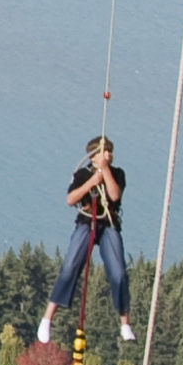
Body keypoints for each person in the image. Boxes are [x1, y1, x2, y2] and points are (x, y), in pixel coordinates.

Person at [37, 135, 132, 349]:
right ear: (94, 155)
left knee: (118, 272)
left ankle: (125, 322)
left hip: (108, 224)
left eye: (110, 152)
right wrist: (92, 181)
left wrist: (105, 171)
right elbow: (71, 199)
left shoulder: (118, 173)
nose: (109, 155)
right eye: (105, 152)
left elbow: (115, 196)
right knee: (70, 267)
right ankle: (47, 318)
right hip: (86, 222)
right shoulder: (81, 174)